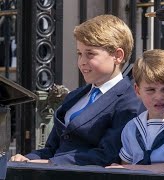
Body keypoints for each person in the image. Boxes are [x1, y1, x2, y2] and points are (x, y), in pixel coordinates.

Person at [10, 14, 143, 166]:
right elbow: (51, 148)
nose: (82, 62)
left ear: (118, 56)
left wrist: (52, 163)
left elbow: (107, 154)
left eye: (90, 54)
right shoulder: (75, 96)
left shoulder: (130, 99)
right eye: (79, 54)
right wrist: (29, 158)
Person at [107, 49, 164, 171]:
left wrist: (130, 169)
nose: (159, 97)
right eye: (151, 90)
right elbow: (125, 167)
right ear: (137, 90)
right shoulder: (132, 128)